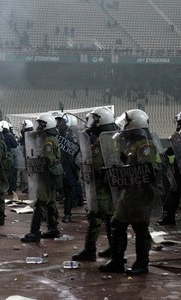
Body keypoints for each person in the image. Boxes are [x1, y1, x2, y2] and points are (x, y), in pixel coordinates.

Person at [99, 109, 160, 275]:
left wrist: (124, 171)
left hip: (140, 194)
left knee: (140, 229)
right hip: (128, 193)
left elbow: (145, 170)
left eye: (126, 122)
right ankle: (117, 261)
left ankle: (142, 263)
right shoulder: (132, 145)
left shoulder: (145, 146)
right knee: (117, 225)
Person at [72, 107, 118, 261]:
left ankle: (89, 250)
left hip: (101, 186)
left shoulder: (101, 142)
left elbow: (95, 164)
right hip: (111, 186)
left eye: (94, 119)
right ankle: (114, 248)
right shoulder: (114, 138)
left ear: (100, 121)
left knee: (95, 217)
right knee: (110, 218)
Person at [21, 114, 63, 243]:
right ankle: (53, 228)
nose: (39, 126)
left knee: (41, 201)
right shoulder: (51, 138)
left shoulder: (48, 141)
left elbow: (48, 159)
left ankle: (35, 232)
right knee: (50, 201)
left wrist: (39, 161)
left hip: (47, 174)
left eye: (41, 124)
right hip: (52, 174)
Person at [157, 111, 181, 225]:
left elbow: (175, 148)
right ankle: (171, 217)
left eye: (180, 122)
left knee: (176, 192)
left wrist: (167, 153)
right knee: (177, 192)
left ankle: (170, 217)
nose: (179, 125)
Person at [55, 113, 82, 223]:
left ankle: (67, 213)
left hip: (68, 167)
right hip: (61, 166)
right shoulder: (59, 134)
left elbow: (74, 153)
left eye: (60, 121)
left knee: (69, 190)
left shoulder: (70, 135)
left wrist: (71, 168)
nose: (58, 123)